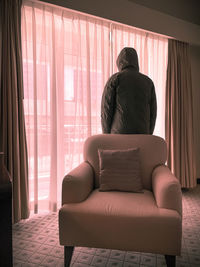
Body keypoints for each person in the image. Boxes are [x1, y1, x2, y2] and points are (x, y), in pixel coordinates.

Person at [101, 47, 157, 134]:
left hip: (119, 134)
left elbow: (106, 109)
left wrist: (106, 135)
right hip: (142, 134)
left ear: (119, 62)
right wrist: (148, 134)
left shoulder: (115, 79)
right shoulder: (148, 82)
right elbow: (153, 113)